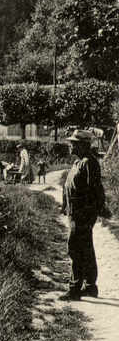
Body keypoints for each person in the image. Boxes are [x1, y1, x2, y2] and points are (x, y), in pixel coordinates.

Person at [59, 129, 106, 301]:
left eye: (73, 143)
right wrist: (65, 205)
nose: (70, 145)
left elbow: (95, 190)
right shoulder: (78, 162)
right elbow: (69, 187)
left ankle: (75, 288)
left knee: (75, 248)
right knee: (85, 248)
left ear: (82, 145)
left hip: (82, 214)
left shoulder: (89, 163)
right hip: (75, 213)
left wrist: (89, 214)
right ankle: (89, 286)